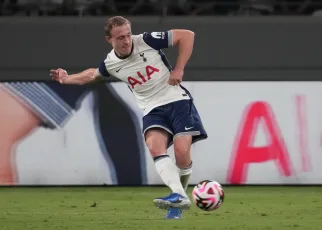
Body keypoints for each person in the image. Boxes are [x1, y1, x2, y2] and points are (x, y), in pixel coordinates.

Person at [50, 16, 208, 219]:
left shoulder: (148, 40)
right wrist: (66, 79)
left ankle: (178, 199)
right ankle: (178, 195)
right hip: (152, 110)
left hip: (177, 99)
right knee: (154, 146)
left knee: (182, 151)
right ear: (109, 40)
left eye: (127, 35)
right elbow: (92, 75)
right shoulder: (112, 63)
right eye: (120, 38)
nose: (126, 41)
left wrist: (178, 69)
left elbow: (187, 36)